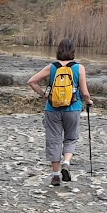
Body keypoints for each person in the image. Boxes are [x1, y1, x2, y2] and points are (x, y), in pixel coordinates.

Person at [27, 39, 94, 186]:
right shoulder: (79, 68)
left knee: (54, 140)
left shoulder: (52, 67)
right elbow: (85, 92)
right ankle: (66, 163)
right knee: (71, 138)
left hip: (52, 108)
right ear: (73, 51)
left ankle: (56, 175)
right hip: (73, 108)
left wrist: (44, 95)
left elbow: (31, 81)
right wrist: (88, 101)